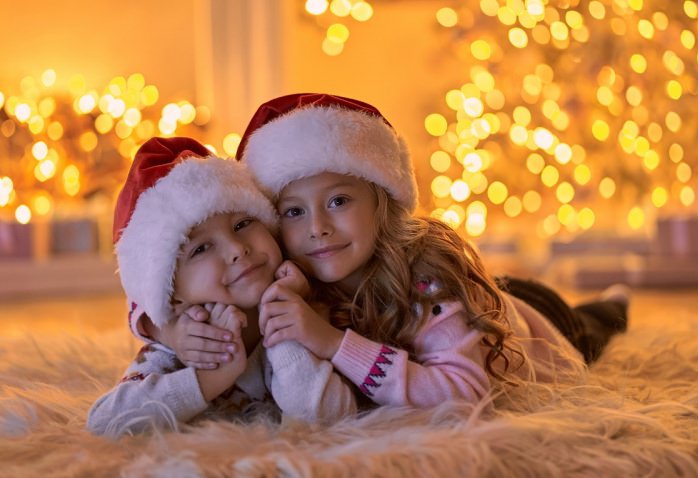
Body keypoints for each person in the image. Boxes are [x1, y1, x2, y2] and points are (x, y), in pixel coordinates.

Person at [230, 92, 628, 408]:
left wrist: (333, 343)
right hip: (476, 308)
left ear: (381, 202)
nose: (317, 228)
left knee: (593, 326)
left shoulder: (428, 281)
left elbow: (464, 392)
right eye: (295, 211)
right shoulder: (292, 279)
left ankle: (615, 302)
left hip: (528, 319)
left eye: (338, 202)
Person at [86, 137, 356, 437]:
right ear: (173, 295)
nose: (236, 249)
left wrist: (282, 327)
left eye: (243, 224)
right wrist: (209, 377)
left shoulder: (305, 308)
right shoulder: (187, 342)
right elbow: (103, 423)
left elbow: (331, 417)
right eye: (201, 248)